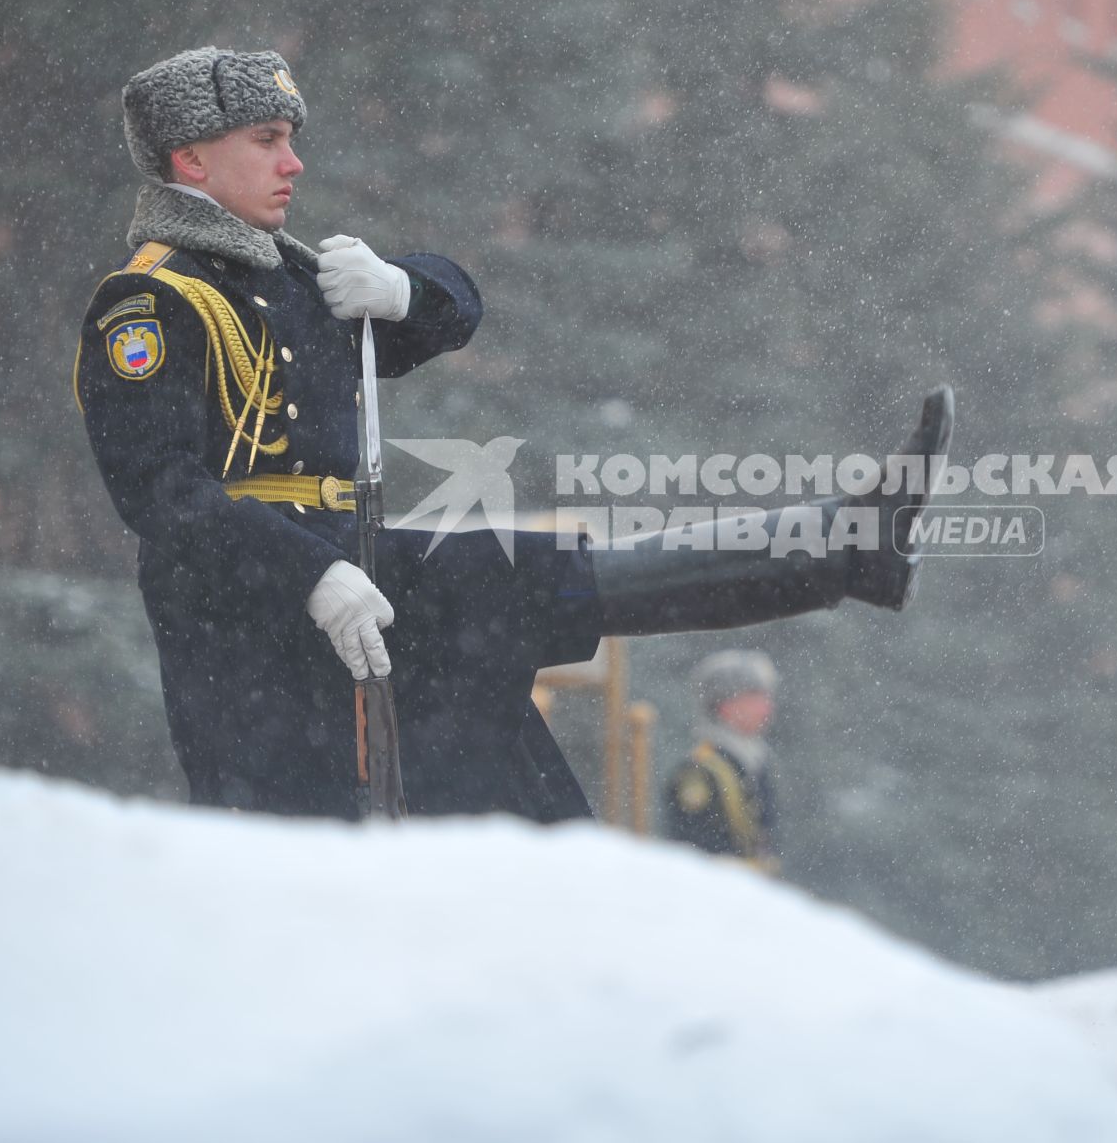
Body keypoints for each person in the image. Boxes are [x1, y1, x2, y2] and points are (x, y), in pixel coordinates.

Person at [76, 46, 952, 823]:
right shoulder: (151, 302)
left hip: (356, 570)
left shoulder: (294, 277)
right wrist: (310, 572)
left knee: (516, 632)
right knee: (314, 820)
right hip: (249, 615)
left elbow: (455, 310)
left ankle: (845, 545)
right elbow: (161, 492)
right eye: (266, 138)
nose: (294, 161)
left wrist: (404, 292)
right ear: (190, 160)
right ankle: (844, 547)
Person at [665, 650, 782, 871]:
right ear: (726, 703)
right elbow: (696, 853)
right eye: (756, 696)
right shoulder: (701, 770)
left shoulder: (755, 761)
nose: (767, 707)